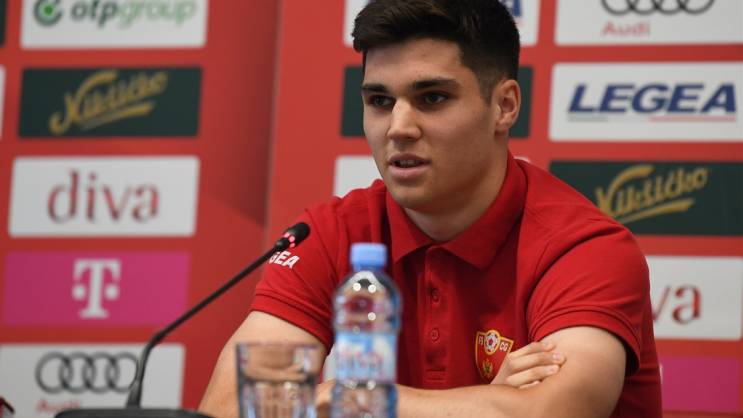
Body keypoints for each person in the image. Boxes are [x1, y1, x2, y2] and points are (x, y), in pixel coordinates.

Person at [199, 0, 662, 417]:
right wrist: (490, 404)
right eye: (380, 101)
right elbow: (229, 408)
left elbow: (555, 411)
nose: (398, 127)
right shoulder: (331, 233)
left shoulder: (584, 248)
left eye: (432, 98)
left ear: (504, 106)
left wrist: (346, 399)